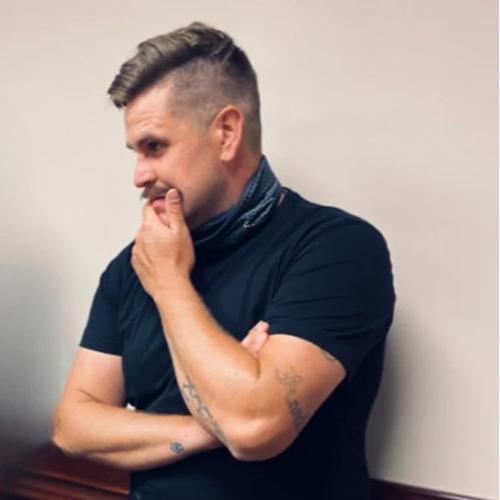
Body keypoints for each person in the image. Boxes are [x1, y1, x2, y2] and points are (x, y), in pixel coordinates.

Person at [52, 22, 396, 500]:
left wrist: (170, 283)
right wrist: (209, 427)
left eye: (155, 146)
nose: (139, 175)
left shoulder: (337, 249)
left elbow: (254, 428)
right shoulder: (133, 265)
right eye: (136, 152)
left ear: (227, 133)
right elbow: (73, 425)